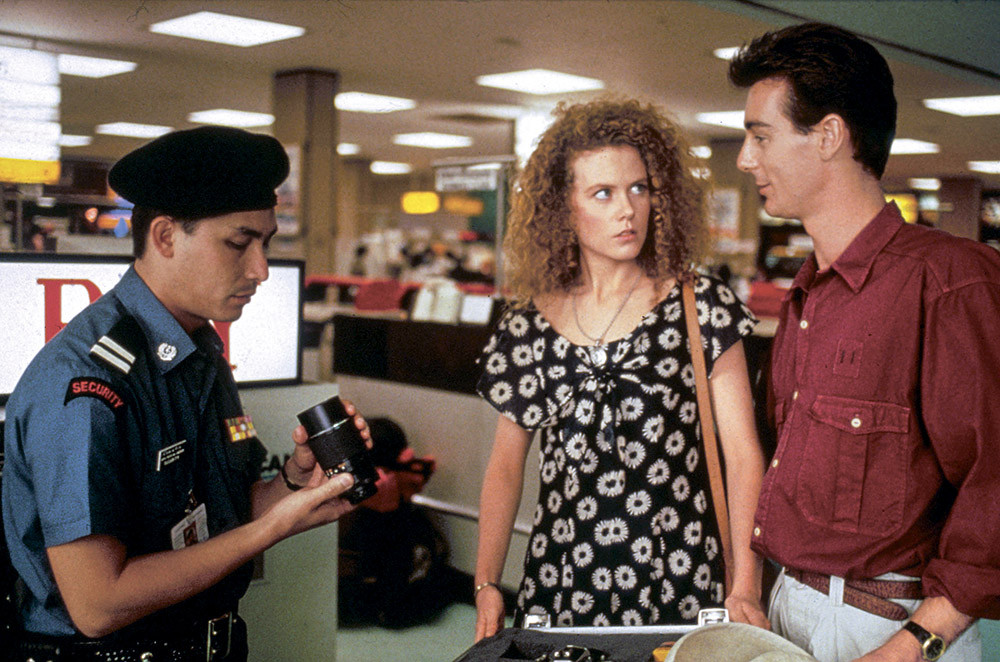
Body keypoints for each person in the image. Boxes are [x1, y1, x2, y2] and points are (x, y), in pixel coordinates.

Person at [2, 126, 367, 661]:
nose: (261, 270)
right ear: (166, 237)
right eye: (238, 243)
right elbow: (97, 604)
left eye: (265, 244)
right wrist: (269, 531)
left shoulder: (199, 353)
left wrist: (294, 483)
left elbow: (211, 516)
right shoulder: (87, 383)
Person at [729, 22, 1000, 662]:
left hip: (889, 629)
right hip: (788, 608)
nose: (745, 159)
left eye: (761, 136)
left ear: (829, 135)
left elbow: (993, 482)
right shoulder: (807, 294)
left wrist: (915, 643)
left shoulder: (949, 281)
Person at [473, 98, 769, 640]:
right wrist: (487, 581)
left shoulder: (702, 307)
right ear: (564, 207)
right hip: (562, 576)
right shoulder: (528, 326)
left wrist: (745, 582)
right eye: (603, 193)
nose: (628, 209)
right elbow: (505, 467)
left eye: (639, 188)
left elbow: (744, 454)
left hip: (680, 572)